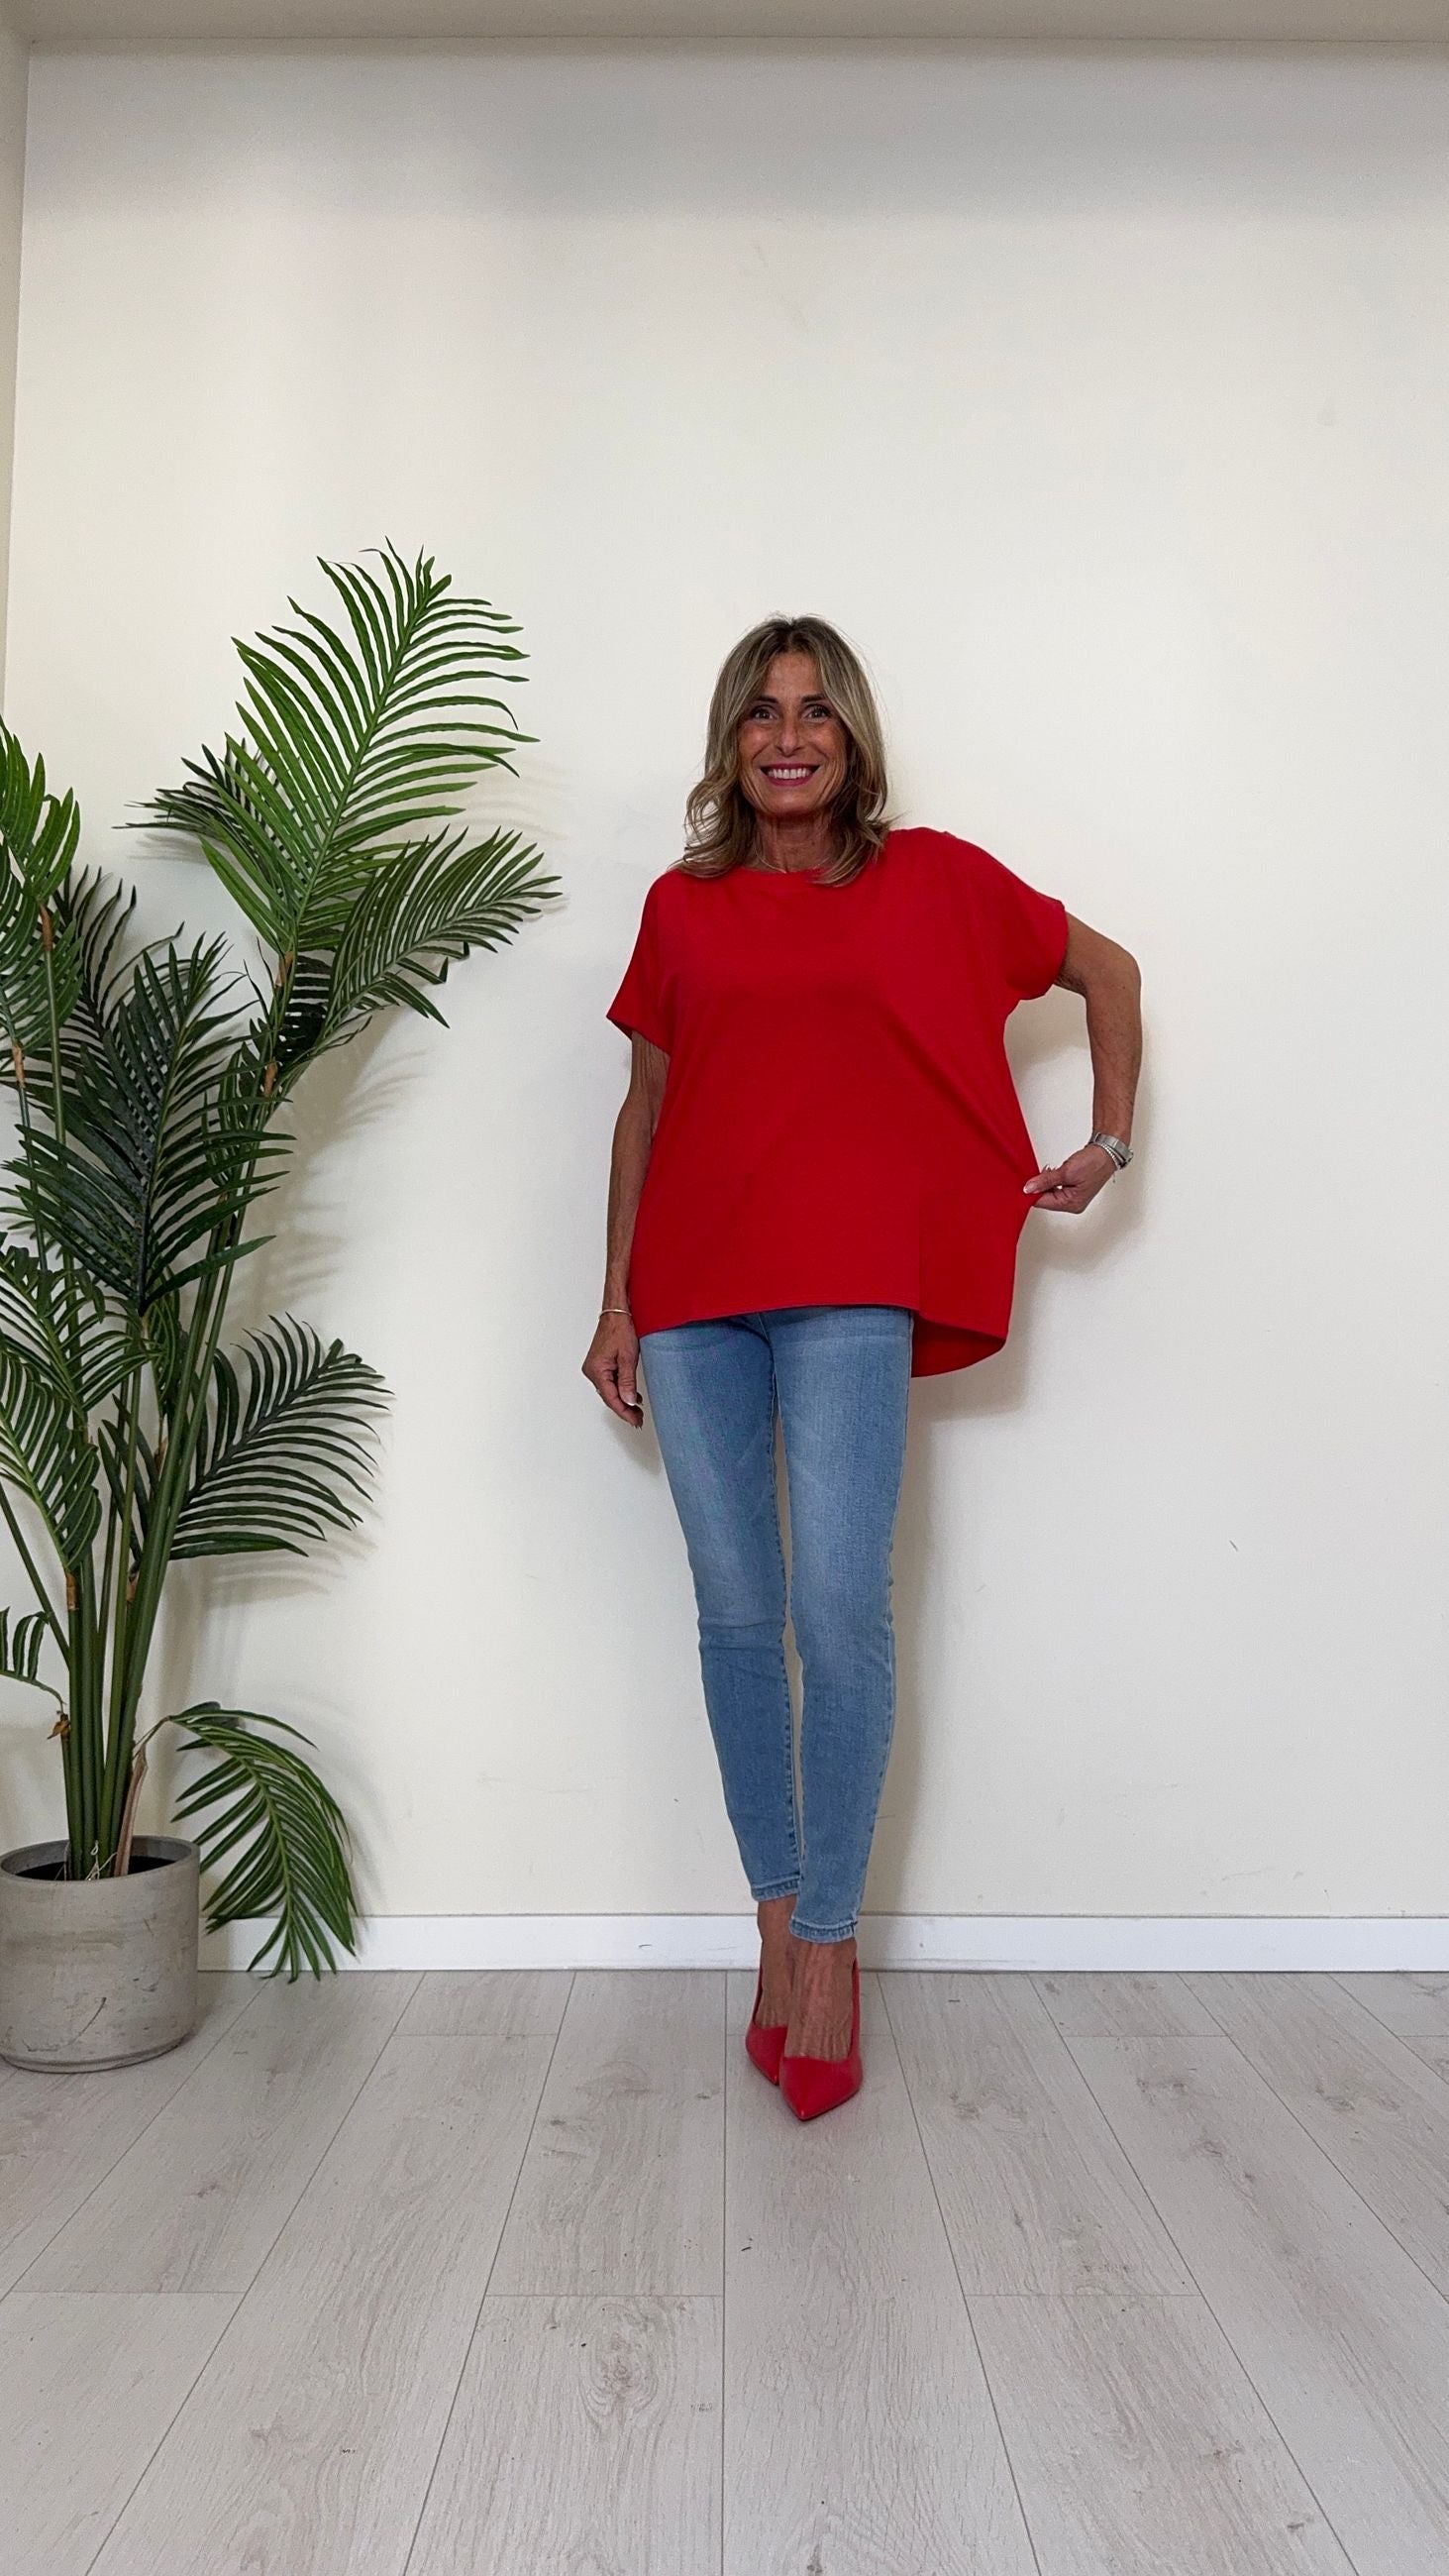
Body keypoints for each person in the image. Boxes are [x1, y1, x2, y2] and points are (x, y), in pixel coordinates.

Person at [583, 615, 1142, 2120]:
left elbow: (1107, 970)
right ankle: (775, 1927)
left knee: (839, 1616)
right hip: (691, 1301)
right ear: (731, 741)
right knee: (735, 1618)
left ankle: (829, 1947)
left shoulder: (935, 879)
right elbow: (644, 1108)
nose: (789, 736)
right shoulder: (680, 907)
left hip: (850, 1296)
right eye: (762, 711)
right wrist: (617, 1299)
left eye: (816, 710)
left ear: (853, 738)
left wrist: (1109, 1141)